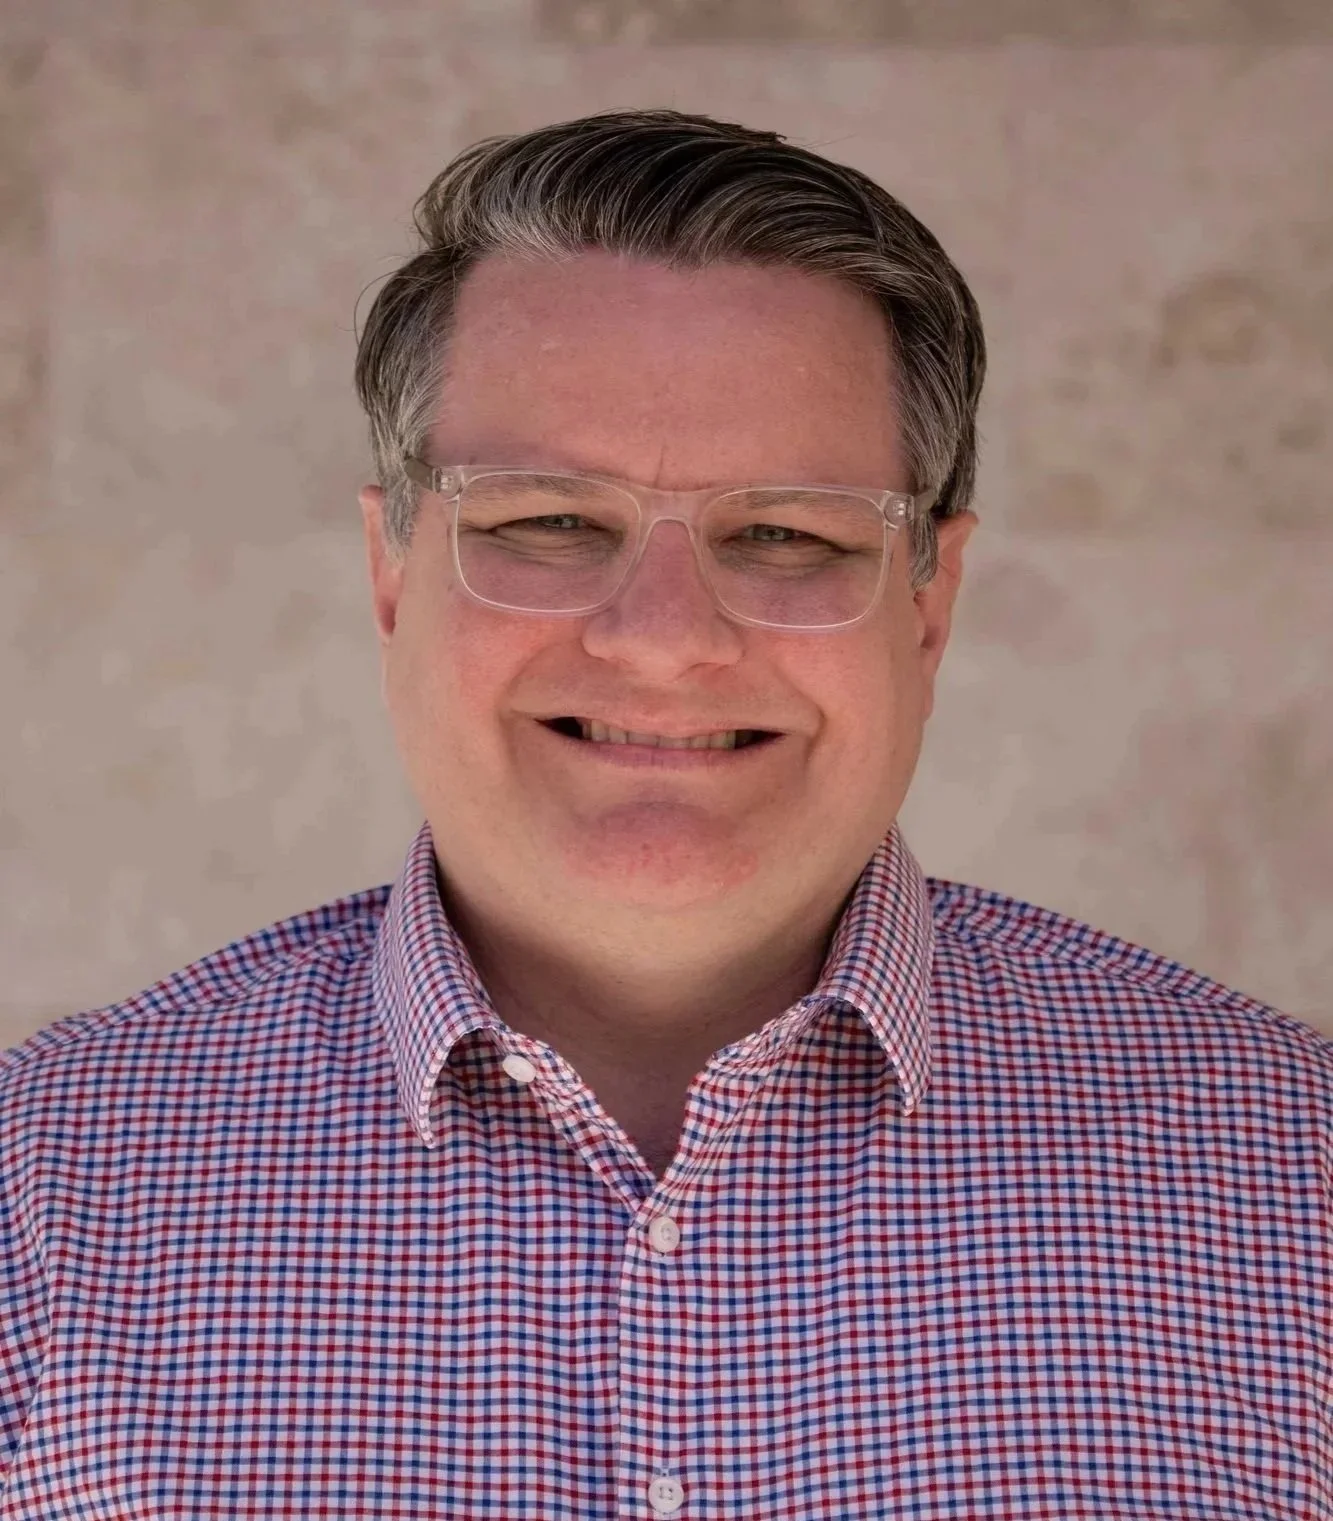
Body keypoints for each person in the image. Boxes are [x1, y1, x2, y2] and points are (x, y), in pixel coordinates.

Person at [2, 109, 1328, 1520]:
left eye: (788, 536)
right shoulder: (40, 1197)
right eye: (549, 523)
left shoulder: (1295, 1182)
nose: (663, 639)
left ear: (931, 605)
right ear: (392, 574)